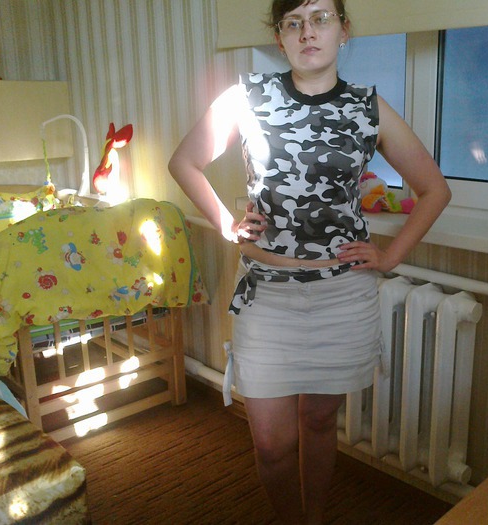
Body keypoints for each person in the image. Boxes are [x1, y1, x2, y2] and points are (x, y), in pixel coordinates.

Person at [168, 0, 451, 522]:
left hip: (343, 296)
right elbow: (185, 161)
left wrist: (390, 255)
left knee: (319, 423)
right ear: (279, 38)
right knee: (272, 444)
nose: (307, 32)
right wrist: (227, 224)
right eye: (293, 23)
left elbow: (434, 188)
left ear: (344, 29)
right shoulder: (248, 97)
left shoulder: (368, 107)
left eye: (321, 18)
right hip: (267, 296)